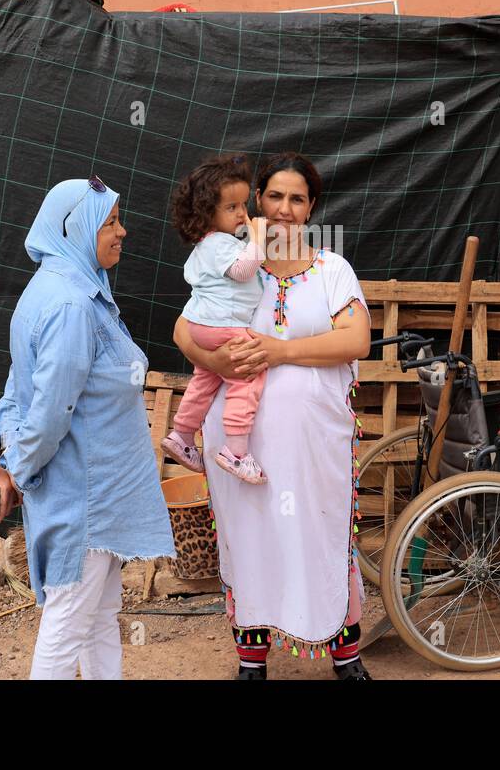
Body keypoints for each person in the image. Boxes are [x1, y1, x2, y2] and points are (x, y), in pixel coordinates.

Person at [172, 152, 373, 680]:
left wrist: (280, 351)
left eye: (298, 199)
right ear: (257, 201)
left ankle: (346, 656)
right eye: (275, 196)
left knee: (322, 536)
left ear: (311, 209)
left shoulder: (332, 270)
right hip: (241, 451)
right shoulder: (234, 264)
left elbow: (356, 339)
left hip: (314, 446)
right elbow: (183, 330)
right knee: (250, 541)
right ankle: (252, 661)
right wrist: (214, 360)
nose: (284, 209)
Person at [0, 176, 175, 680]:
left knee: (96, 617)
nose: (122, 231)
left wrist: (8, 458)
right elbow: (47, 412)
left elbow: (18, 391)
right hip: (85, 500)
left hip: (94, 500)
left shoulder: (68, 290)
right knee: (68, 624)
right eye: (110, 221)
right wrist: (16, 467)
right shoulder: (70, 305)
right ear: (74, 227)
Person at [161, 155, 271, 484]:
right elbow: (242, 271)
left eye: (243, 204)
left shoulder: (208, 245)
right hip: (223, 325)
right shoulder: (221, 244)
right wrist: (259, 241)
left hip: (201, 326)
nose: (243, 214)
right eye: (232, 207)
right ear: (209, 214)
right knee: (246, 377)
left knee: (205, 379)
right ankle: (236, 452)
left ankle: (181, 435)